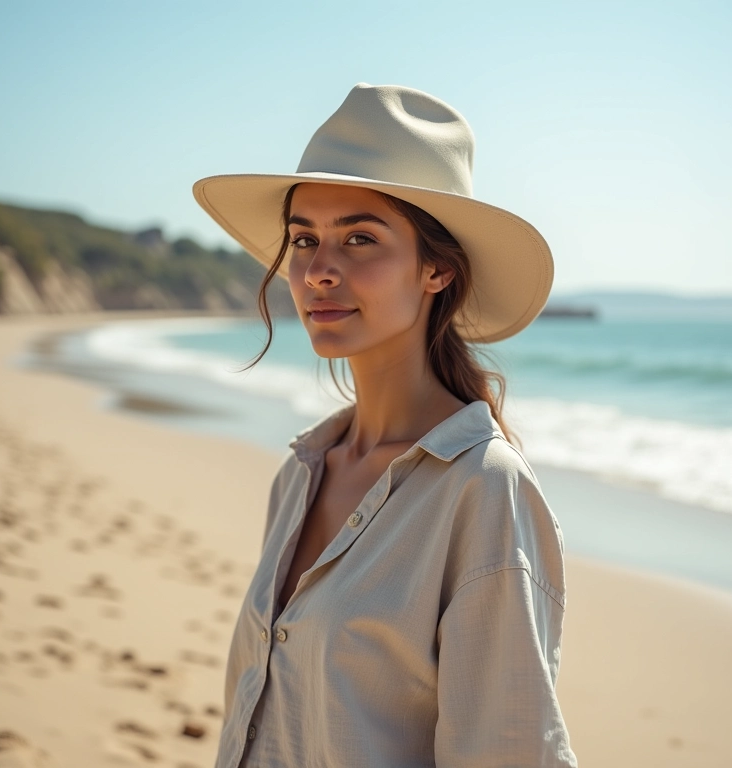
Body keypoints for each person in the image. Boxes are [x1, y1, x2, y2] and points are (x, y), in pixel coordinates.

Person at [193, 83, 578, 767]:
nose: (318, 270)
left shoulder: (482, 491)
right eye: (304, 239)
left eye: (360, 238)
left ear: (436, 270)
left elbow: (509, 751)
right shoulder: (302, 472)